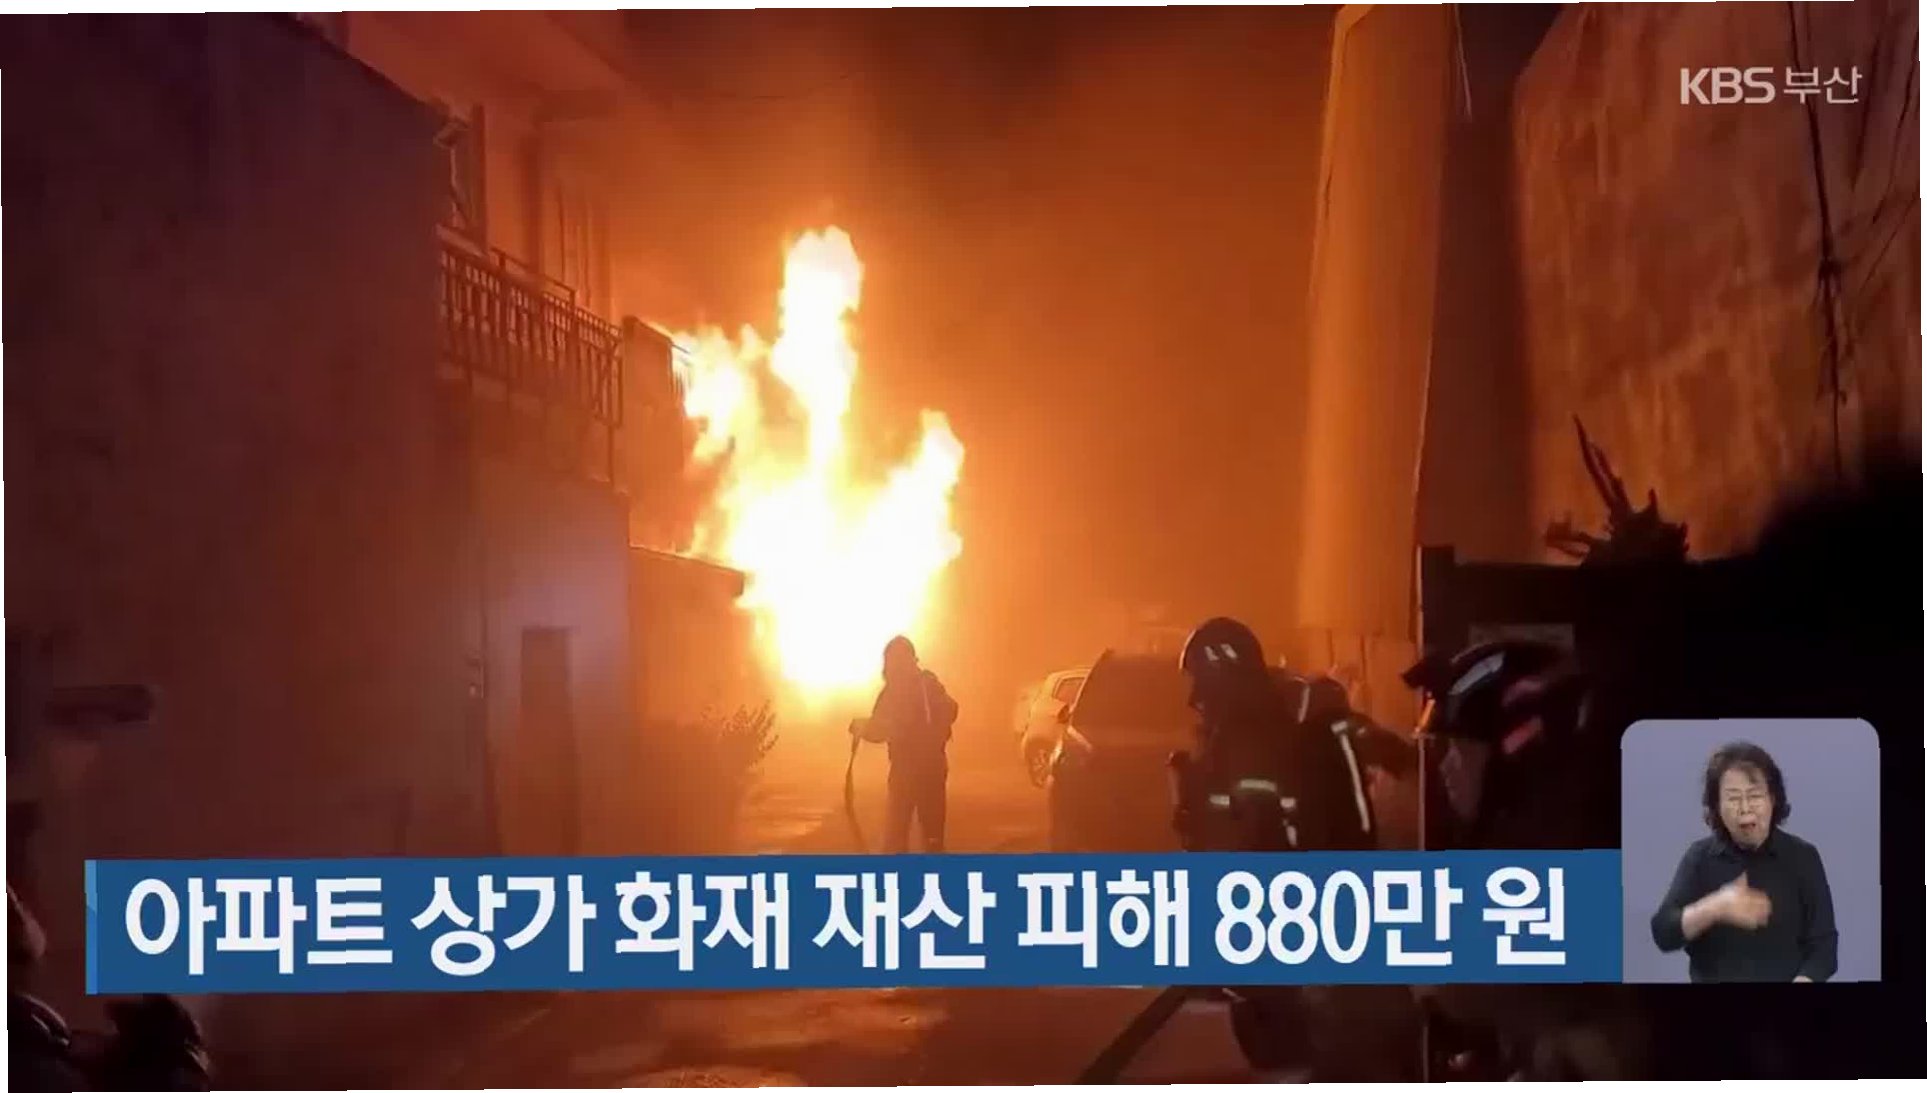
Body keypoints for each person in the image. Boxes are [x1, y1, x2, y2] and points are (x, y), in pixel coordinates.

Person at [1169, 617, 1374, 854]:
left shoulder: (1254, 741)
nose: (1194, 698)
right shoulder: (1247, 732)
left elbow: (1258, 840)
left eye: (1201, 683)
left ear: (1226, 682)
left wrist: (1200, 822)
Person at [1649, 741, 1837, 984]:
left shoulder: (1803, 856)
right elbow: (1663, 933)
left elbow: (1824, 947)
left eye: (1755, 796)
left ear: (1773, 799)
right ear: (1717, 807)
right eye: (1733, 798)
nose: (1745, 808)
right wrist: (1715, 907)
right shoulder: (1700, 858)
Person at [858, 636, 959, 854]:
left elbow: (880, 729)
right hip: (933, 768)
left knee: (896, 837)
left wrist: (861, 728)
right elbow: (952, 709)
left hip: (905, 771)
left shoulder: (893, 692)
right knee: (933, 839)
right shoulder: (928, 683)